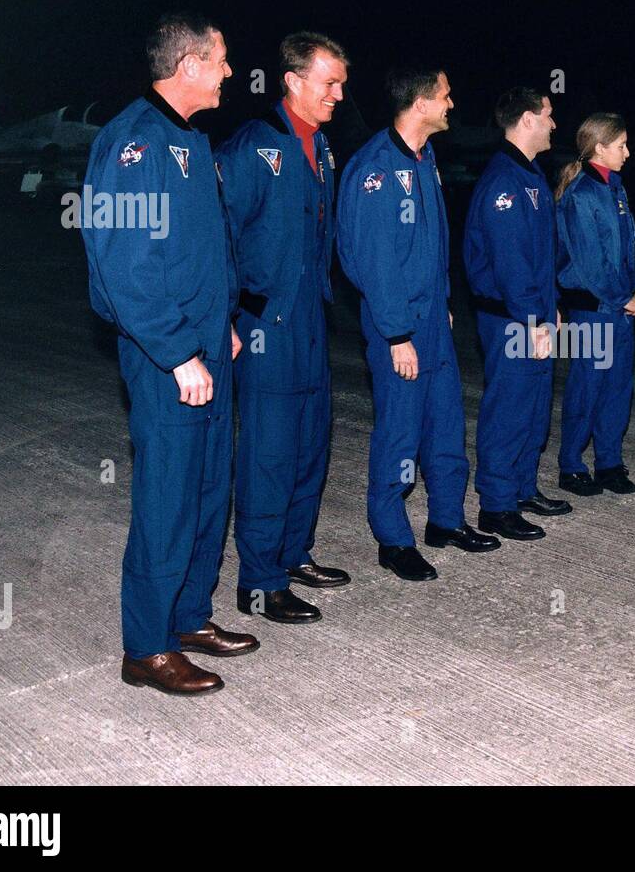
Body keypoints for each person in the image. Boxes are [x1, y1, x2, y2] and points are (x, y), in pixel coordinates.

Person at [81, 12, 256, 695]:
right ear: (187, 65)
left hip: (205, 339)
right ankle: (146, 648)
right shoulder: (134, 142)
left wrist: (225, 323)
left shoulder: (189, 137)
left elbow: (200, 250)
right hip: (167, 355)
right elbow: (126, 268)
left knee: (210, 486)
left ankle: (188, 616)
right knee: (169, 496)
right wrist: (179, 350)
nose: (229, 73)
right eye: (220, 60)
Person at [335, 67, 499, 580]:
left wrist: (443, 300)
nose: (452, 104)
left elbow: (429, 245)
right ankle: (393, 539)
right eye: (446, 96)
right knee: (400, 435)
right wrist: (396, 334)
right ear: (423, 102)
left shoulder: (424, 158)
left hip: (431, 320)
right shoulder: (376, 169)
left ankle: (446, 521)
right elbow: (372, 261)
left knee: (446, 424)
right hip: (398, 329)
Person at [215, 32, 352, 625]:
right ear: (293, 81)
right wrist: (229, 313)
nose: (339, 94)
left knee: (309, 445)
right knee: (269, 452)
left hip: (309, 319)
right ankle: (259, 581)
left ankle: (294, 554)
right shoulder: (254, 146)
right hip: (266, 322)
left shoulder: (320, 147)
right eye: (330, 82)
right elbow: (217, 234)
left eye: (342, 83)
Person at [463, 87, 571, 541]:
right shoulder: (505, 181)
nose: (553, 123)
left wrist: (552, 308)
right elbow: (510, 264)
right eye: (548, 115)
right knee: (508, 409)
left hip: (531, 312)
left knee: (532, 406)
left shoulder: (529, 175)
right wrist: (534, 319)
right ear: (527, 119)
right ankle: (497, 504)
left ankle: (523, 488)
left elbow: (539, 258)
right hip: (511, 318)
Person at [553, 112, 635, 496]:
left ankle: (610, 462)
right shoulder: (580, 195)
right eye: (621, 145)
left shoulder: (616, 188)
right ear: (600, 148)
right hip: (592, 311)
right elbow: (590, 262)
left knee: (617, 389)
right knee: (587, 387)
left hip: (620, 308)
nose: (627, 152)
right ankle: (571, 464)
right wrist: (622, 296)